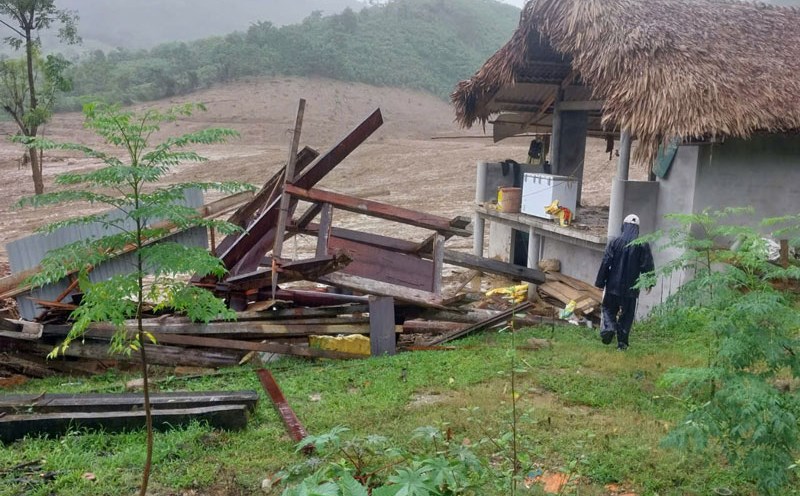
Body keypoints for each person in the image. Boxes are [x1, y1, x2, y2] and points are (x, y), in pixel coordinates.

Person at [594, 214, 654, 350]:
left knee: (608, 309)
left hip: (612, 286)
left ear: (624, 226)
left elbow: (605, 262)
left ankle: (609, 327)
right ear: (637, 229)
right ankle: (622, 344)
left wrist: (600, 282)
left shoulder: (615, 243)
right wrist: (649, 282)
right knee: (627, 316)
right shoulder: (643, 244)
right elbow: (647, 265)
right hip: (631, 289)